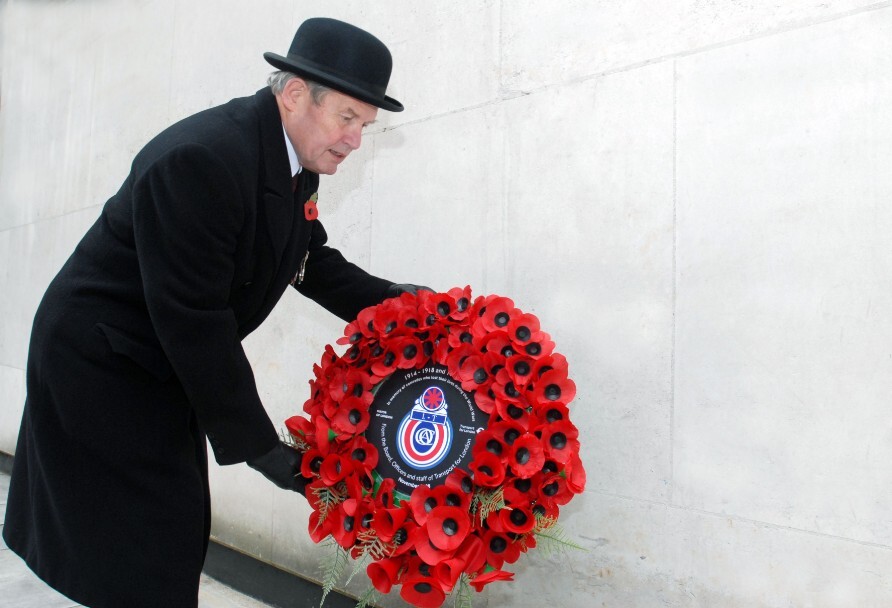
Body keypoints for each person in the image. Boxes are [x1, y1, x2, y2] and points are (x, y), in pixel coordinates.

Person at [3, 17, 427, 608]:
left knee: (160, 538)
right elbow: (196, 319)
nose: (355, 140)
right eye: (348, 118)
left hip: (157, 356)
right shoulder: (204, 160)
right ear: (297, 93)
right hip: (102, 360)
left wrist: (410, 306)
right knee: (137, 540)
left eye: (366, 125)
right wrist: (263, 449)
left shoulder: (285, 160)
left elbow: (309, 259)